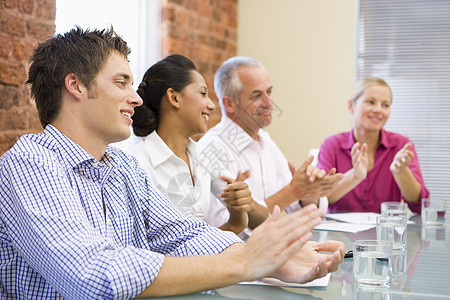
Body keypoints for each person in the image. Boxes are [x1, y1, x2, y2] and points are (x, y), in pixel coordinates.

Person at [0, 27, 345, 299]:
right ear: (74, 85)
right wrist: (245, 262)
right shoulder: (30, 163)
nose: (135, 98)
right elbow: (95, 276)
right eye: (121, 82)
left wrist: (272, 260)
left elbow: (183, 234)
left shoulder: (122, 167)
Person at [129, 54, 267, 235]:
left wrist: (242, 203)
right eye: (203, 93)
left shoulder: (202, 156)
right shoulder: (137, 162)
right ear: (174, 98)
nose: (211, 105)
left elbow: (260, 220)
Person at [198, 56, 343, 229]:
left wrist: (308, 193)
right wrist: (294, 191)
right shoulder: (211, 149)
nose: (269, 102)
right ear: (229, 104)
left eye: (269, 92)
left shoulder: (264, 140)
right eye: (257, 95)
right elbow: (233, 228)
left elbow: (296, 208)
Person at [316, 77, 429, 213]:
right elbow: (320, 199)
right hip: (339, 233)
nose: (378, 109)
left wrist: (402, 172)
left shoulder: (402, 145)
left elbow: (418, 205)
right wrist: (354, 175)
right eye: (371, 102)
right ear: (351, 106)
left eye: (385, 105)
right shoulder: (332, 145)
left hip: (386, 231)